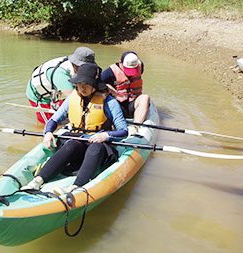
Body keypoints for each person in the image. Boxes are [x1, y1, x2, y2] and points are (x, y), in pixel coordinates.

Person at [21, 63, 128, 193]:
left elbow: (123, 131)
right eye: (79, 83)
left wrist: (106, 135)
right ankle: (37, 181)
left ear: (95, 85)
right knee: (71, 145)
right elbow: (54, 119)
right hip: (78, 139)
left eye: (86, 84)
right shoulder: (73, 98)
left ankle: (75, 187)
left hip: (100, 143)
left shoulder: (109, 102)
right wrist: (48, 132)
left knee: (95, 148)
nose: (82, 87)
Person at [26, 47, 96, 124]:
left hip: (54, 90)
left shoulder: (79, 67)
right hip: (38, 94)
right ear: (75, 64)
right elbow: (72, 98)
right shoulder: (61, 74)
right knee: (48, 123)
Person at [101, 51, 150, 132]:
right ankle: (112, 129)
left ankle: (136, 127)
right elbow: (98, 83)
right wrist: (109, 88)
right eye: (128, 69)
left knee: (145, 97)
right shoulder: (110, 72)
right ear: (121, 63)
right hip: (118, 105)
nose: (130, 73)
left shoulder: (140, 66)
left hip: (133, 103)